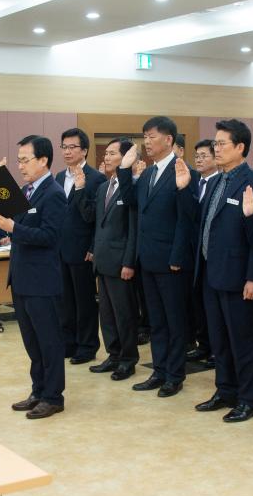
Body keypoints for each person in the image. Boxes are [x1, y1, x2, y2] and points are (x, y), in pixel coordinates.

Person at [189, 119, 253, 423]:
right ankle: (225, 390)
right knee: (219, 339)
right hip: (212, 273)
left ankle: (249, 399)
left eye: (222, 143)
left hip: (240, 278)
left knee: (243, 341)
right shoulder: (216, 181)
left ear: (240, 147)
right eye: (215, 143)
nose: (216, 148)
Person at [116, 116, 197, 398]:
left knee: (174, 321)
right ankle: (159, 370)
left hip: (171, 261)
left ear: (169, 139)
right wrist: (124, 169)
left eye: (152, 136)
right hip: (148, 258)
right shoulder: (149, 173)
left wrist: (177, 256)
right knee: (157, 322)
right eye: (145, 137)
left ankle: (175, 375)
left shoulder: (184, 171)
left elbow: (186, 220)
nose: (147, 142)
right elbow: (131, 202)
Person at [0, 135, 68, 419]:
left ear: (43, 160)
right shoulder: (26, 191)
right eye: (19, 161)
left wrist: (15, 228)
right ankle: (38, 391)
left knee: (49, 342)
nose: (21, 166)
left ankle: (53, 397)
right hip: (22, 278)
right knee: (32, 342)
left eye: (25, 160)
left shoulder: (53, 193)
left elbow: (50, 236)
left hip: (42, 281)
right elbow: (8, 219)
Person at [79, 138, 140, 381]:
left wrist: (129, 262)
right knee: (106, 314)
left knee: (124, 314)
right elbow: (95, 221)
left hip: (121, 262)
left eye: (112, 153)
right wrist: (93, 248)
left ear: (126, 158)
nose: (106, 157)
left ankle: (128, 359)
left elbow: (133, 229)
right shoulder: (104, 187)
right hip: (102, 260)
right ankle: (113, 355)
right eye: (106, 153)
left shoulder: (131, 187)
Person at [54, 128, 106, 364]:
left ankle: (87, 346)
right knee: (65, 301)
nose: (67, 151)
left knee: (84, 301)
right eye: (64, 147)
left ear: (84, 150)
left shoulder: (96, 178)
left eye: (72, 147)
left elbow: (97, 218)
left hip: (83, 250)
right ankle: (69, 343)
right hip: (61, 249)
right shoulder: (58, 177)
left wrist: (93, 247)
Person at [185, 139, 218, 366]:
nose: (198, 160)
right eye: (196, 156)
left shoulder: (219, 183)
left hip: (212, 254)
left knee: (212, 306)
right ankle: (203, 344)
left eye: (204, 155)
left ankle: (216, 348)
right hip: (193, 253)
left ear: (216, 158)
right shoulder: (193, 182)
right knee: (198, 303)